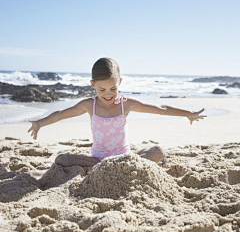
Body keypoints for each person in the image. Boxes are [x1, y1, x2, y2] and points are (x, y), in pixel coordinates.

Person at [28, 58, 206, 167]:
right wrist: (40, 123)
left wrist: (188, 113)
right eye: (102, 89)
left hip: (126, 159)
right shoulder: (89, 105)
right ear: (93, 85)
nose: (108, 94)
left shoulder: (125, 105)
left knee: (157, 151)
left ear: (120, 82)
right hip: (97, 161)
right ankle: (104, 168)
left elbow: (161, 109)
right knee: (62, 159)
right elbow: (60, 113)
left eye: (113, 88)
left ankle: (129, 165)